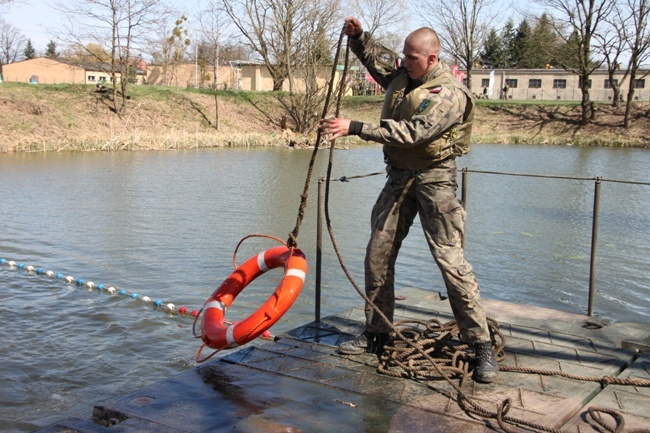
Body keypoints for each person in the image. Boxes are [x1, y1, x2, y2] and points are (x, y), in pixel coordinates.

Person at [319, 17, 498, 383]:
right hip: (399, 177)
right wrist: (358, 38)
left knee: (451, 262)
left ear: (432, 60)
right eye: (404, 56)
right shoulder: (404, 75)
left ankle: (481, 345)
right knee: (377, 254)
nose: (403, 62)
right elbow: (378, 60)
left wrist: (354, 127)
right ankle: (377, 333)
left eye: (412, 57)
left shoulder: (448, 94)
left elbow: (414, 133)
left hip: (435, 181)